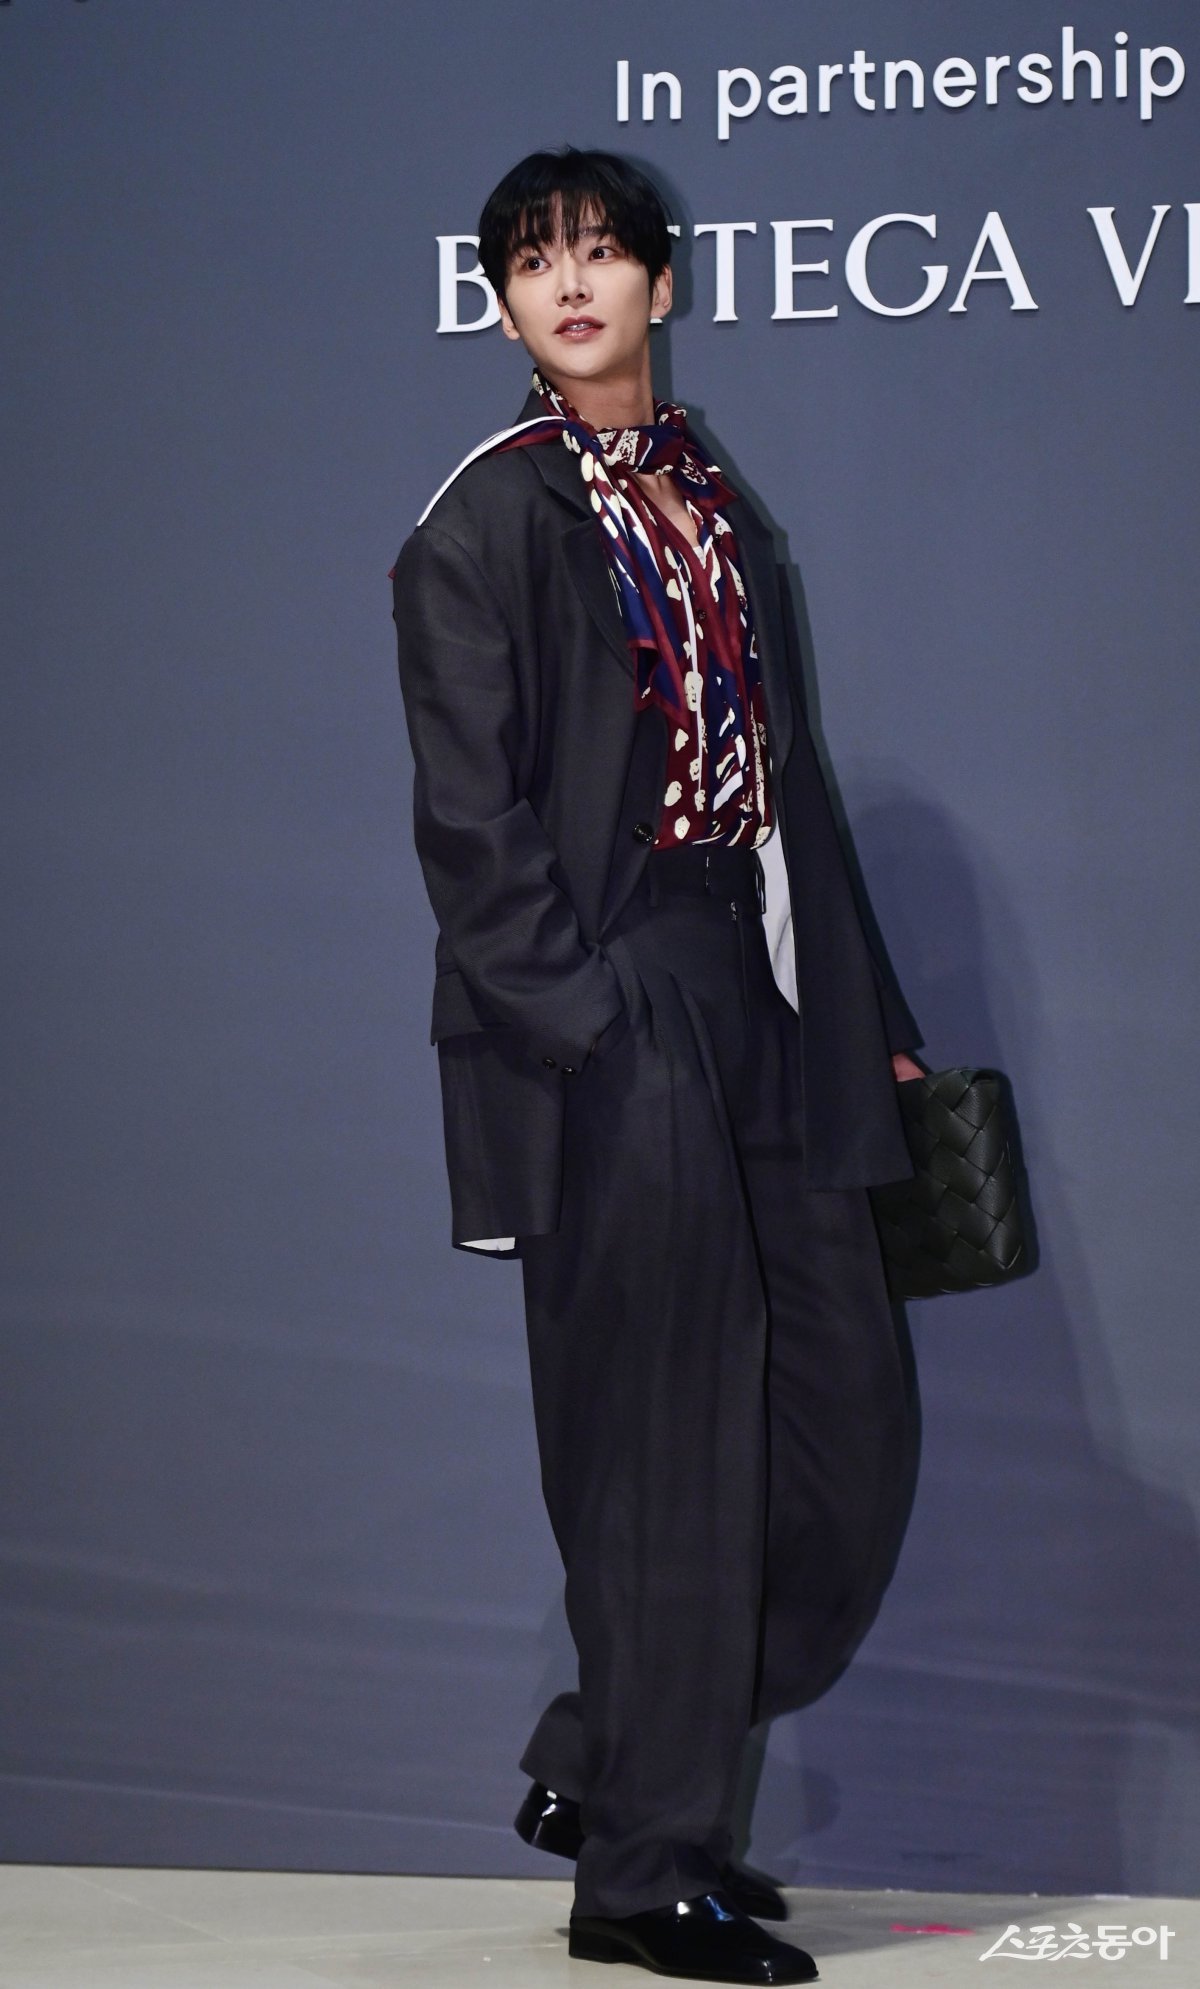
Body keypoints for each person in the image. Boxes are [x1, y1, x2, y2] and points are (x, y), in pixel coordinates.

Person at [391, 145, 925, 1986]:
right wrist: (589, 1028)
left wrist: (864, 1010)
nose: (569, 284)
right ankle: (642, 1868)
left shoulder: (716, 502)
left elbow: (788, 781)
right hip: (613, 1004)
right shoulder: (481, 524)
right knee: (666, 1450)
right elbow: (469, 829)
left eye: (600, 252)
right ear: (502, 307)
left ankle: (611, 1756)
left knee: (848, 1432)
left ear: (660, 287)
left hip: (756, 992)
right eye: (533, 262)